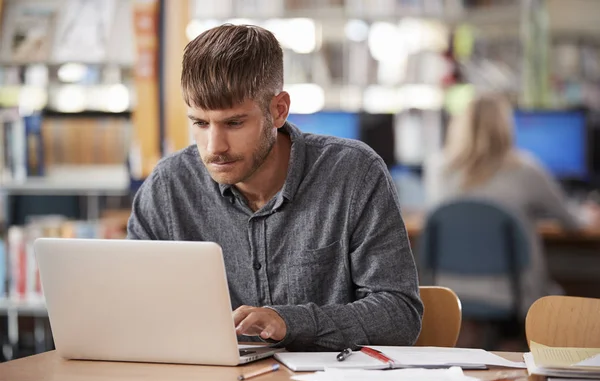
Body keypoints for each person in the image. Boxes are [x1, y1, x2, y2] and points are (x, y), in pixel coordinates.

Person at [127, 24, 423, 351]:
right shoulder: (169, 186)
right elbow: (133, 307)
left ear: (278, 110)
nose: (215, 146)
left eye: (234, 123)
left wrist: (289, 322)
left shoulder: (354, 174)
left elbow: (399, 314)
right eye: (200, 123)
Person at [424, 93, 581, 317]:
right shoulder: (526, 169)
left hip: (449, 290)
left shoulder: (437, 169)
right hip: (513, 292)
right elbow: (572, 222)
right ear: (505, 126)